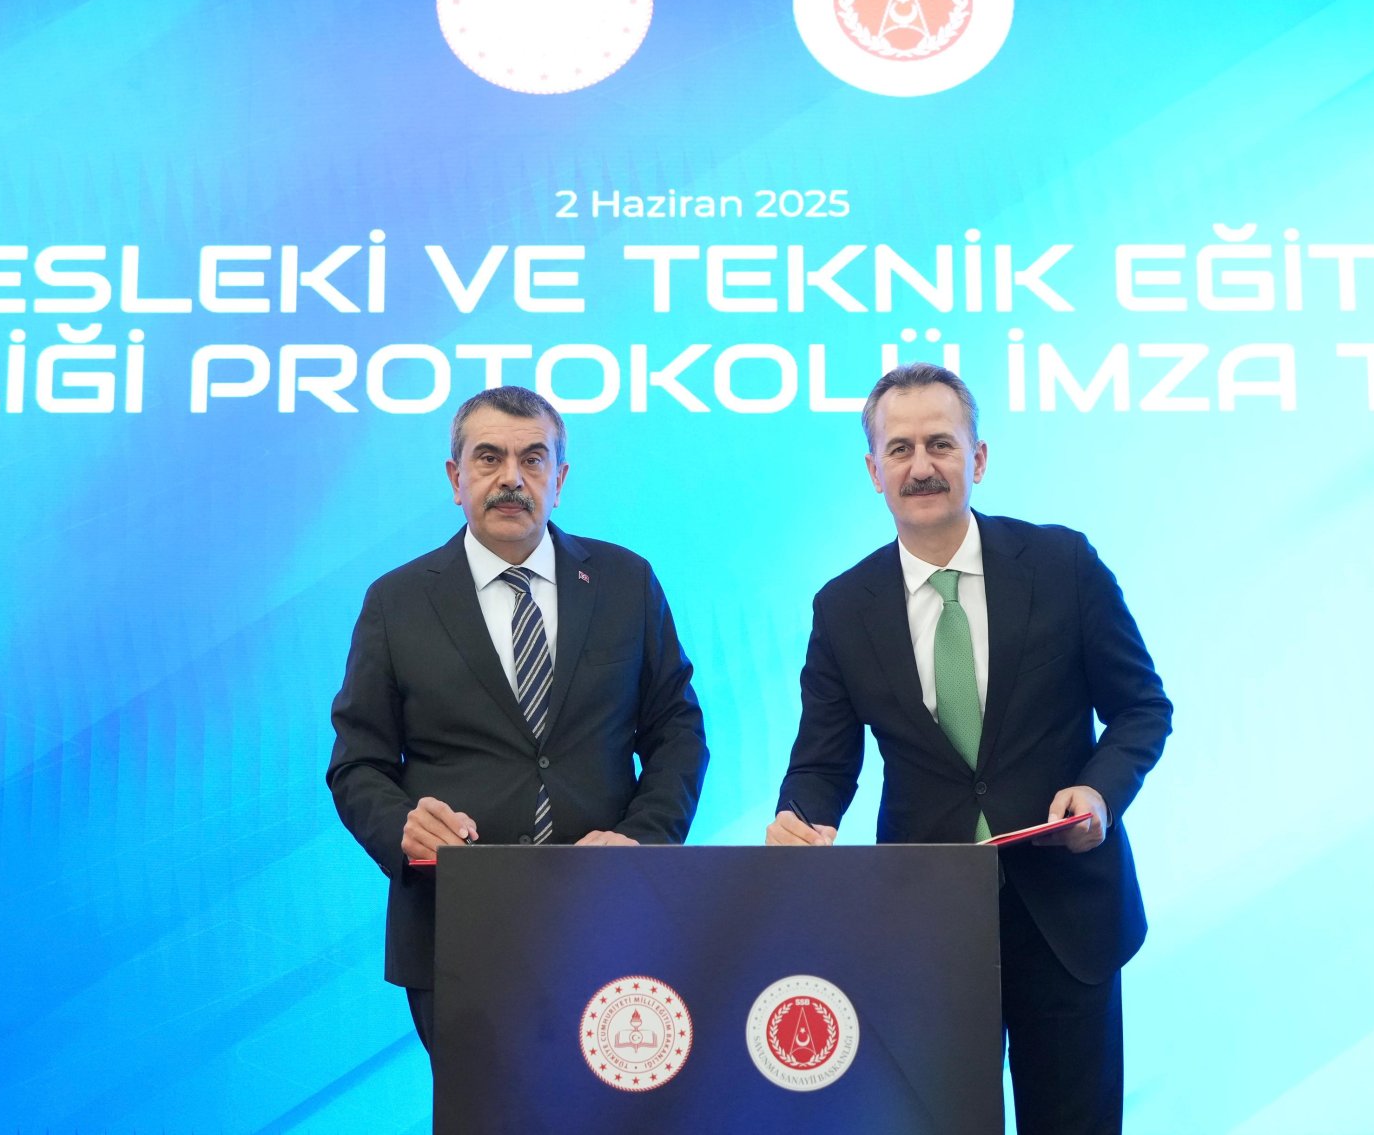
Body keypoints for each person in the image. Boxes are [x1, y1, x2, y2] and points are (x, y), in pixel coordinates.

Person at [766, 363, 1171, 1134]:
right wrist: (801, 819)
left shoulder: (1063, 564)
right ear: (874, 470)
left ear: (977, 458)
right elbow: (823, 760)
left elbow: (1141, 707)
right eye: (901, 448)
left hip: (1067, 915)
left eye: (941, 444)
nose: (921, 465)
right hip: (926, 925)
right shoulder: (844, 606)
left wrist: (1099, 791)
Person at [327, 385, 708, 1058]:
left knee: (618, 1106)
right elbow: (358, 762)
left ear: (560, 479)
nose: (511, 478)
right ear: (455, 478)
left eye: (533, 459)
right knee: (481, 1107)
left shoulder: (626, 582)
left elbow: (677, 732)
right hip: (456, 921)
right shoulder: (396, 601)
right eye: (489, 458)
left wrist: (641, 839)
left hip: (609, 913)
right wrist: (404, 828)